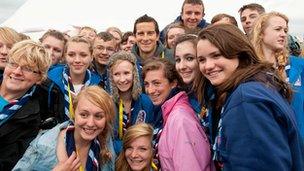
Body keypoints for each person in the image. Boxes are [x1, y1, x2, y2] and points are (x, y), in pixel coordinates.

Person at [195, 24, 304, 170]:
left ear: (239, 53)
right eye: (201, 60)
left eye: (216, 55)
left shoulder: (246, 101)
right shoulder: (256, 86)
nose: (207, 66)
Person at [13, 86, 116, 171]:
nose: (90, 123)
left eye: (98, 116)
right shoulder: (44, 146)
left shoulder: (104, 138)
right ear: (74, 113)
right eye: (84, 115)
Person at [143, 58, 212, 171]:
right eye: (147, 84)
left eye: (156, 83)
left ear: (173, 83)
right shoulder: (164, 113)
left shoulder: (180, 119)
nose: (150, 90)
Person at [251, 12, 304, 139]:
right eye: (278, 29)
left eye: (285, 30)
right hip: (271, 141)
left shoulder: (298, 65)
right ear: (261, 33)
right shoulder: (249, 68)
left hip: (299, 140)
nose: (283, 34)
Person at [0, 40, 51, 170]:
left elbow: (7, 162)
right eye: (13, 64)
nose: (17, 72)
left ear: (39, 78)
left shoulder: (32, 121)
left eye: (27, 68)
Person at [46, 36, 102, 123]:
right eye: (71, 55)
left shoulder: (98, 85)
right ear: (65, 56)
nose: (77, 60)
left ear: (91, 57)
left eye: (83, 55)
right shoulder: (49, 81)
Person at [107, 51, 154, 154]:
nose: (122, 79)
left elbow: (149, 135)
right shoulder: (106, 104)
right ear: (111, 77)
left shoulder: (146, 102)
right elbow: (106, 139)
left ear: (135, 75)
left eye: (126, 73)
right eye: (116, 74)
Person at [174, 34, 202, 117]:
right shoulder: (178, 95)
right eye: (178, 60)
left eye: (189, 58)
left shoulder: (216, 94)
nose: (181, 66)